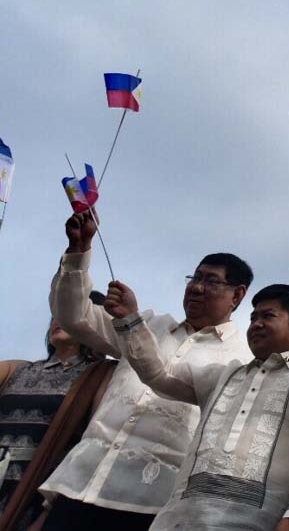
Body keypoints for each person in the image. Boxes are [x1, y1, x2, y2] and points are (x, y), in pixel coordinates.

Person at [43, 213, 252, 531]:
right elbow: (73, 316)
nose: (196, 288)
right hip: (80, 483)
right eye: (193, 278)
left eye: (211, 281)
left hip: (149, 503)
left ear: (237, 295)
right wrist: (79, 249)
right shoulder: (150, 324)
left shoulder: (242, 360)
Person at [102, 281, 289, 531]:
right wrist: (129, 320)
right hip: (176, 520)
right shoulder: (224, 375)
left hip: (259, 522)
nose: (256, 324)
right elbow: (159, 374)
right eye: (253, 318)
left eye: (268, 316)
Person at [0, 318, 107, 530]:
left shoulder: (100, 375)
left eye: (70, 311)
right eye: (55, 314)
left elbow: (95, 446)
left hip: (34, 496)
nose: (59, 319)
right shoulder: (17, 369)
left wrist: (47, 517)